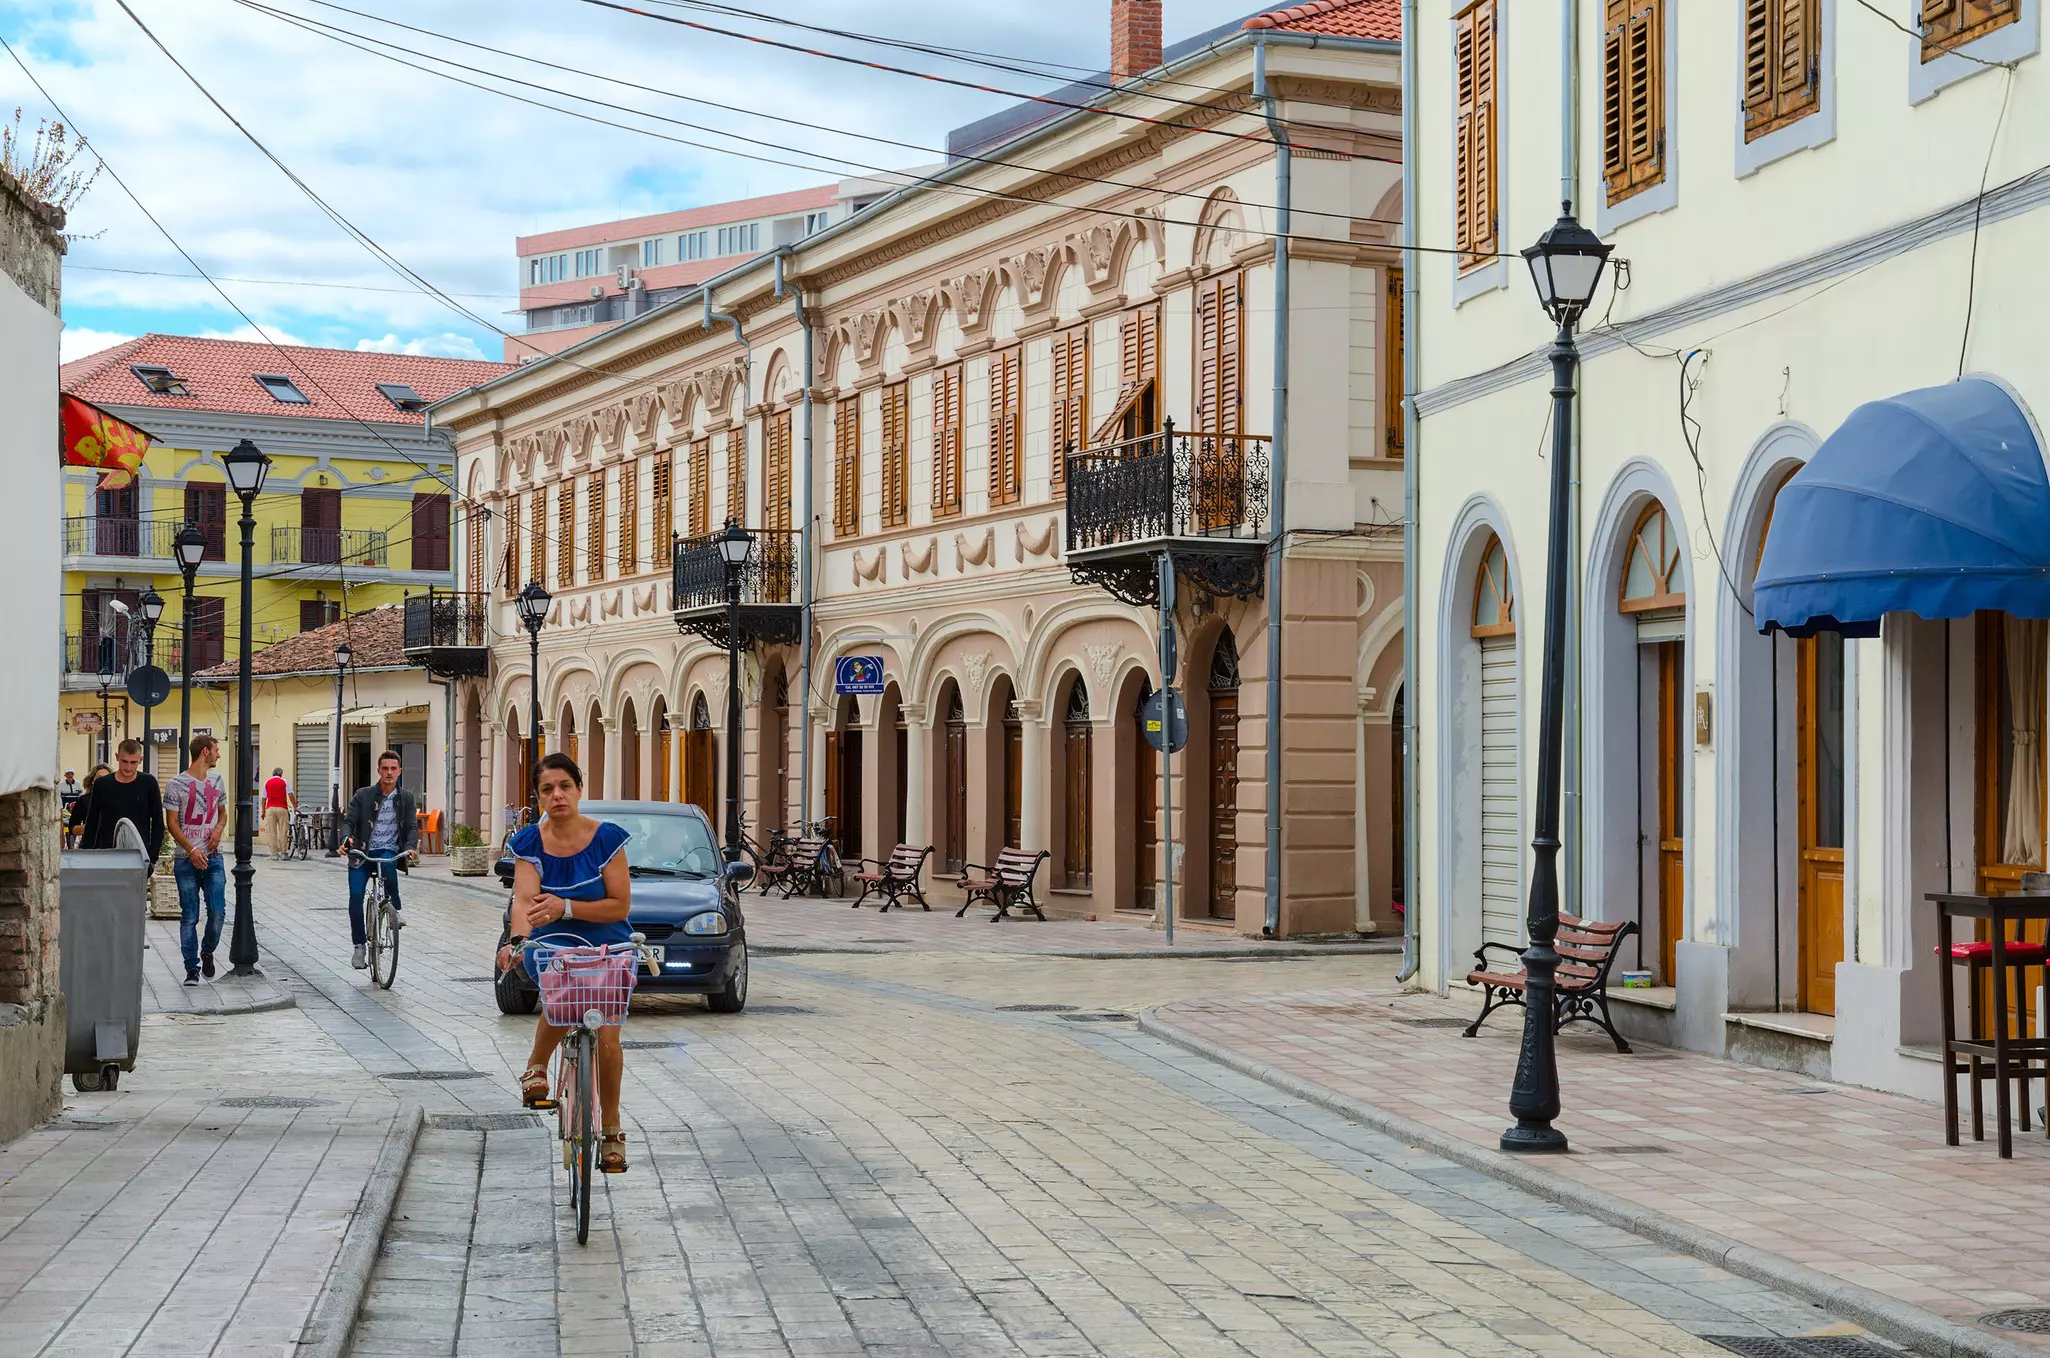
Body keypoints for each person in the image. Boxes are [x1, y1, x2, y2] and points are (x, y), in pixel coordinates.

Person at [496, 753, 634, 1174]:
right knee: (564, 988)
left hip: (607, 941)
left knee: (608, 1038)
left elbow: (619, 905)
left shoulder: (607, 839)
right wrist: (518, 940)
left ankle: (610, 1128)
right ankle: (536, 1065)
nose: (557, 795)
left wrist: (566, 906)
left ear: (578, 789)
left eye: (564, 786)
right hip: (553, 942)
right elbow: (524, 900)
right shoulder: (529, 842)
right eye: (546, 789)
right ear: (538, 798)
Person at [340, 750, 416, 970]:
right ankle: (359, 946)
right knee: (355, 897)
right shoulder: (363, 795)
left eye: (393, 769)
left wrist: (410, 847)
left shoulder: (407, 798)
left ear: (399, 771)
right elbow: (349, 821)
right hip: (361, 852)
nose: (389, 773)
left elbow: (411, 827)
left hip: (388, 850)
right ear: (378, 770)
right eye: (385, 768)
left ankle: (395, 911)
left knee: (388, 866)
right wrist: (346, 839)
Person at [164, 735, 228, 986]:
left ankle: (208, 950)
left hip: (214, 858)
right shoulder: (175, 784)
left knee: (218, 912)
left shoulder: (217, 780)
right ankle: (191, 968)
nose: (218, 755)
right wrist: (191, 850)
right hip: (185, 860)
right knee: (190, 916)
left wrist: (219, 830)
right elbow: (171, 823)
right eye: (216, 750)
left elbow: (222, 813)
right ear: (205, 752)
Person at [80, 739, 164, 861]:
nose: (129, 767)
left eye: (133, 762)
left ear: (141, 760)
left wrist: (152, 857)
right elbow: (92, 822)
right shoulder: (102, 784)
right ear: (117, 757)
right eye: (124, 761)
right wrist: (86, 855)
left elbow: (158, 823)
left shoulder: (148, 783)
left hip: (139, 855)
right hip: (107, 854)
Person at [67, 764, 109, 848]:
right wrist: (87, 828)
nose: (103, 781)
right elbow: (72, 827)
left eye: (107, 778)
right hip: (90, 847)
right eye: (99, 778)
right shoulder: (84, 800)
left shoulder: (118, 798)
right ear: (92, 781)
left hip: (113, 848)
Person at [262, 767, 296, 857]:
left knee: (271, 831)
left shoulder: (267, 782)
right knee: (283, 830)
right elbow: (290, 794)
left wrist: (263, 811)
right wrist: (295, 806)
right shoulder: (285, 781)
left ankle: (274, 853)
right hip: (282, 808)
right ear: (281, 774)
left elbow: (264, 798)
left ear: (273, 774)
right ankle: (284, 852)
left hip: (270, 808)